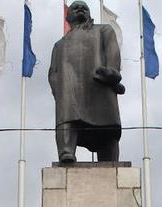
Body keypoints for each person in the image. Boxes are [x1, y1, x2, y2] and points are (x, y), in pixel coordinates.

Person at [48, 0, 124, 163]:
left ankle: (109, 158)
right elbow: (53, 72)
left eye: (84, 7)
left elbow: (112, 51)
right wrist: (59, 92)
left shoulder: (103, 30)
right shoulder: (59, 45)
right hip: (69, 90)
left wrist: (112, 71)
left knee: (107, 126)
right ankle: (66, 151)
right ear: (68, 17)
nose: (80, 9)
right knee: (68, 119)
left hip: (98, 83)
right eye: (75, 7)